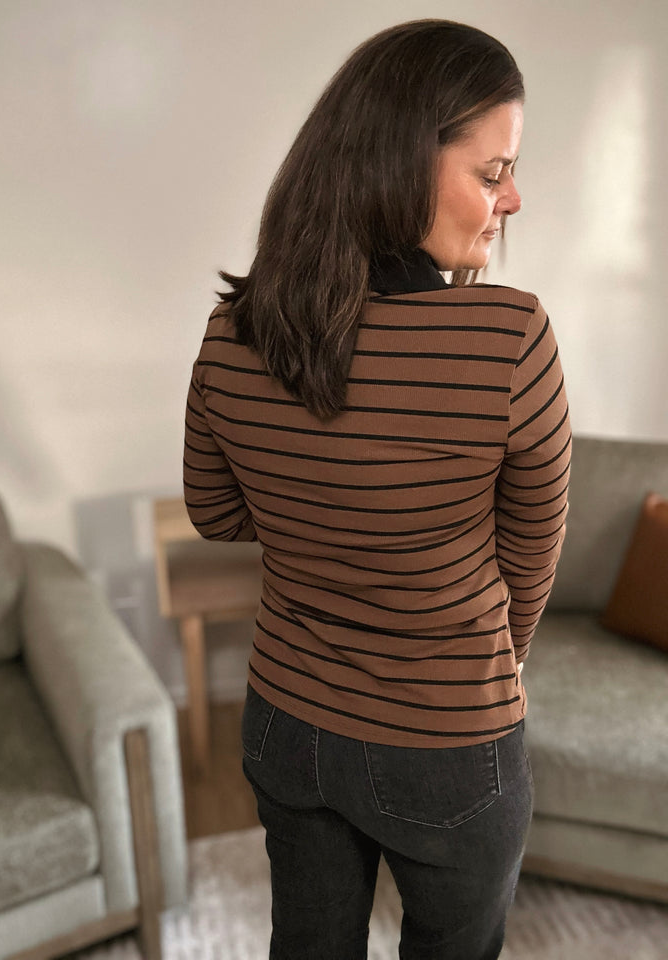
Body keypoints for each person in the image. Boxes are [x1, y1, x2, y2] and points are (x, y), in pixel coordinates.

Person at [183, 19, 571, 960]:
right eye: (492, 172)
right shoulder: (509, 337)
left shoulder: (234, 332)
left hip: (287, 722)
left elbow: (218, 512)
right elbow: (530, 560)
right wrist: (487, 667)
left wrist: (322, 516)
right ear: (401, 161)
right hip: (448, 744)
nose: (513, 197)